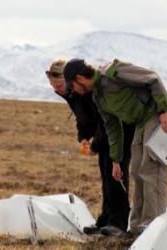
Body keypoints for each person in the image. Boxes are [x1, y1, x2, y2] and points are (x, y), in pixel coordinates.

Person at [63, 58, 167, 236]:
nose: (73, 90)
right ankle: (137, 228)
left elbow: (152, 78)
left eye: (72, 86)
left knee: (151, 170)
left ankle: (153, 229)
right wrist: (116, 160)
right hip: (141, 123)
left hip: (157, 115)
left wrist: (163, 110)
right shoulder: (98, 96)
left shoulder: (114, 72)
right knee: (137, 171)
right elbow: (113, 129)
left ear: (79, 78)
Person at [45, 59, 135, 236]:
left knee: (115, 175)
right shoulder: (72, 93)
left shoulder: (85, 91)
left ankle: (118, 223)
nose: (57, 89)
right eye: (53, 86)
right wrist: (84, 137)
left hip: (118, 132)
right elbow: (82, 118)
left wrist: (95, 145)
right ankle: (105, 221)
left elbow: (105, 121)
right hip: (104, 135)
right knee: (106, 175)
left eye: (59, 84)